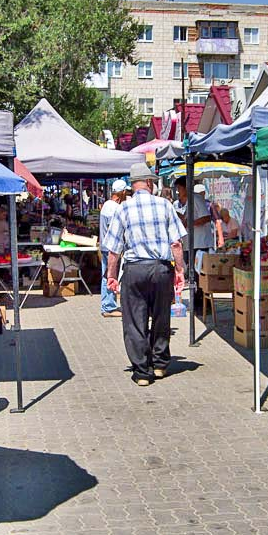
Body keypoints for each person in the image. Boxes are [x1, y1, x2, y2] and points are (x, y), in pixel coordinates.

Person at [103, 163, 186, 387]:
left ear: (133, 184)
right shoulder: (165, 205)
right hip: (160, 268)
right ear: (149, 183)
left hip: (135, 270)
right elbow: (176, 243)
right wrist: (180, 270)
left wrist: (111, 275)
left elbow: (113, 250)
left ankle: (142, 371)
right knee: (161, 316)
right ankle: (159, 364)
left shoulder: (122, 209)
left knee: (134, 321)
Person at [99, 180, 127, 317]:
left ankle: (109, 305)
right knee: (110, 275)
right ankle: (108, 306)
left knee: (107, 275)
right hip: (110, 248)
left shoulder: (106, 205)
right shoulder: (113, 208)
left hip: (105, 246)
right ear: (122, 192)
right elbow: (115, 230)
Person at [173, 179, 214, 259]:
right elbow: (189, 219)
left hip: (199, 244)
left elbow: (206, 217)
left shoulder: (196, 198)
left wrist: (189, 223)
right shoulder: (189, 200)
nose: (177, 192)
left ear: (186, 188)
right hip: (191, 245)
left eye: (179, 188)